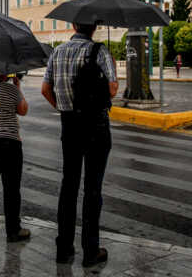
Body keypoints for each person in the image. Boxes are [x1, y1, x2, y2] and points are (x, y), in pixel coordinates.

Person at [41, 23, 118, 268]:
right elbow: (113, 90)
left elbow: (45, 89)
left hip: (69, 125)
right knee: (92, 189)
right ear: (94, 27)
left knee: (69, 186)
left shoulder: (58, 51)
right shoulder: (100, 51)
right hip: (95, 125)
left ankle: (64, 249)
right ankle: (90, 251)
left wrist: (63, 108)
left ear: (74, 25)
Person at [0, 73, 30, 243]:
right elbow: (23, 110)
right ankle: (13, 230)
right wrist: (18, 87)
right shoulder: (11, 89)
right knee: (12, 189)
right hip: (11, 144)